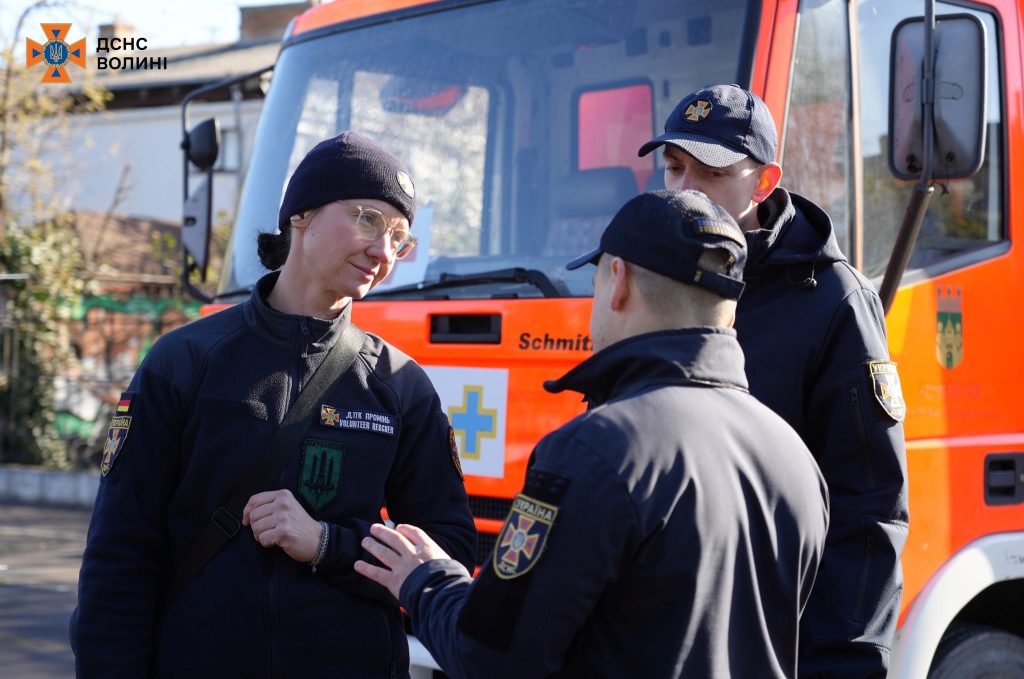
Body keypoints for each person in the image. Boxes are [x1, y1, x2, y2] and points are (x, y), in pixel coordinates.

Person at [355, 189, 829, 678]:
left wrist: (426, 580)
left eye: (596, 278)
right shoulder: (794, 457)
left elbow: (491, 655)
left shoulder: (595, 450)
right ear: (728, 313)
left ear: (617, 281)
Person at [70, 132, 477, 679]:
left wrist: (328, 544)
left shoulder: (400, 384)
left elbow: (448, 548)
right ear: (300, 215)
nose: (383, 253)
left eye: (399, 237)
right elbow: (119, 555)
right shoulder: (184, 362)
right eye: (367, 220)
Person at [638, 84, 909, 678]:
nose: (683, 191)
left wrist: (842, 665)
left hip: (772, 644)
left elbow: (869, 510)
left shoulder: (836, 302)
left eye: (710, 172)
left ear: (763, 182)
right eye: (674, 168)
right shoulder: (655, 277)